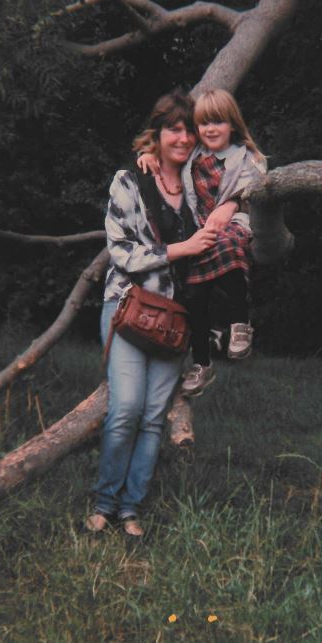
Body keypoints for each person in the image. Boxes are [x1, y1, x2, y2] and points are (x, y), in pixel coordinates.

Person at [86, 91, 217, 535]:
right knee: (125, 409)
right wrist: (181, 248)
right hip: (129, 306)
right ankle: (104, 503)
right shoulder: (129, 180)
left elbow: (245, 166)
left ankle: (131, 509)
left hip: (177, 317)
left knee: (153, 416)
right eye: (173, 129)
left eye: (189, 130)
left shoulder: (203, 187)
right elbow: (122, 253)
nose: (182, 137)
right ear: (156, 136)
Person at [139, 89, 266, 397]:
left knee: (230, 252)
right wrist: (149, 155)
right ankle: (202, 363)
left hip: (234, 226)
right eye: (204, 124)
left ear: (232, 125)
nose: (210, 130)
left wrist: (233, 202)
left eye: (218, 122)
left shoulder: (245, 157)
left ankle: (240, 324)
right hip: (202, 232)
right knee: (194, 295)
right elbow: (169, 159)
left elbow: (257, 185)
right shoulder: (193, 157)